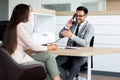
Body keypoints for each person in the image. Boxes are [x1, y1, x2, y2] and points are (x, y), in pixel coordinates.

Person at [2, 4, 61, 80]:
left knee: (49, 55)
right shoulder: (20, 26)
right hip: (19, 60)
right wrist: (49, 47)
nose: (30, 14)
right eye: (29, 12)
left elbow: (27, 45)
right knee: (45, 66)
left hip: (16, 58)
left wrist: (46, 47)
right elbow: (32, 46)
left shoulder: (11, 26)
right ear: (23, 14)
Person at [56, 6, 94, 80]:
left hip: (81, 55)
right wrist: (66, 27)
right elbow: (60, 35)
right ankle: (65, 77)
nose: (77, 18)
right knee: (53, 62)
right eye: (76, 15)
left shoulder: (89, 27)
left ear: (86, 16)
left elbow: (85, 43)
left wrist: (72, 36)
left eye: (80, 16)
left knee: (75, 64)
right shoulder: (72, 24)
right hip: (69, 53)